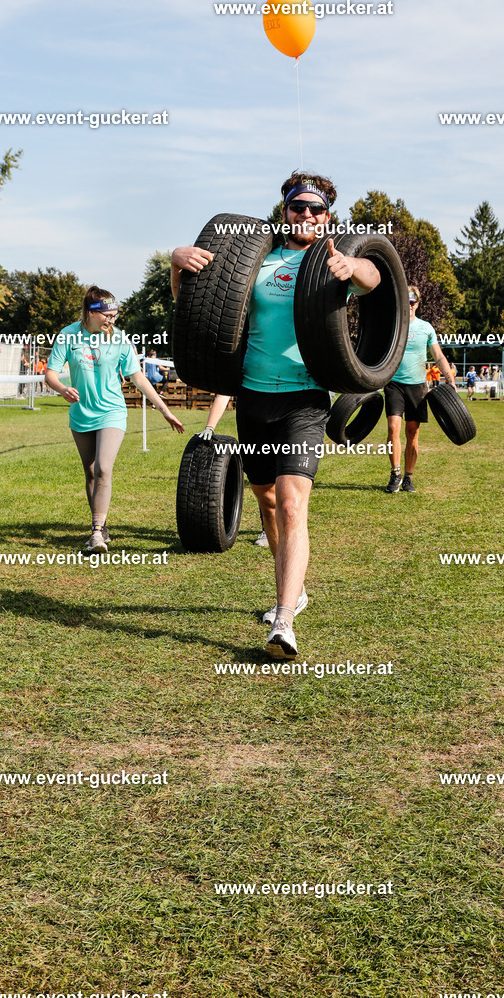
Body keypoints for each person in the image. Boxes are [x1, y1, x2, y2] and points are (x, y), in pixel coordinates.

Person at [171, 172, 380, 658]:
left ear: (329, 216)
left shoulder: (331, 264)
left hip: (305, 400)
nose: (306, 216)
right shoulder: (255, 260)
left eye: (316, 209)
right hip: (253, 397)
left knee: (291, 505)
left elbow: (376, 279)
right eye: (297, 208)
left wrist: (356, 266)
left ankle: (283, 619)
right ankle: (295, 590)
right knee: (267, 503)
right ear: (283, 211)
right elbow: (196, 310)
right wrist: (176, 265)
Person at [45, 286, 184, 553]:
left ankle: (96, 534)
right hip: (81, 413)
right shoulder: (68, 335)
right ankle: (102, 525)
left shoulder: (119, 338)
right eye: (107, 315)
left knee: (103, 469)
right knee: (90, 471)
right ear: (90, 312)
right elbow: (50, 374)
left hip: (112, 411)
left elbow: (138, 377)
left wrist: (164, 409)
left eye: (114, 315)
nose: (111, 320)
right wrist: (62, 389)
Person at [384, 285, 456, 494]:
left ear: (418, 303)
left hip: (417, 385)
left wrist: (449, 379)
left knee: (412, 433)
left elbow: (439, 356)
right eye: (406, 300)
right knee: (393, 428)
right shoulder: (393, 325)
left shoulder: (426, 328)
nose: (409, 304)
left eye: (413, 301)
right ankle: (395, 473)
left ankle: (408, 477)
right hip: (394, 383)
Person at [198, 393, 269, 547]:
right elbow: (224, 392)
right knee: (262, 480)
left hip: (287, 419)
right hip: (253, 424)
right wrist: (210, 427)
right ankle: (269, 527)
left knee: (284, 478)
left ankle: (284, 525)